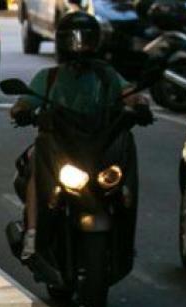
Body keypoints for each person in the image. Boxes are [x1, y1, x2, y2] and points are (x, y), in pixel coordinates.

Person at [9, 10, 135, 260]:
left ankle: (122, 239)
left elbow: (128, 92)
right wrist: (21, 111)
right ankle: (33, 234)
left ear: (96, 42)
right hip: (57, 144)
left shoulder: (106, 75)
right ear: (61, 42)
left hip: (97, 145)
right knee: (36, 166)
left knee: (122, 182)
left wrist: (138, 104)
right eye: (72, 39)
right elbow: (23, 103)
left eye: (86, 39)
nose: (79, 45)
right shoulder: (50, 77)